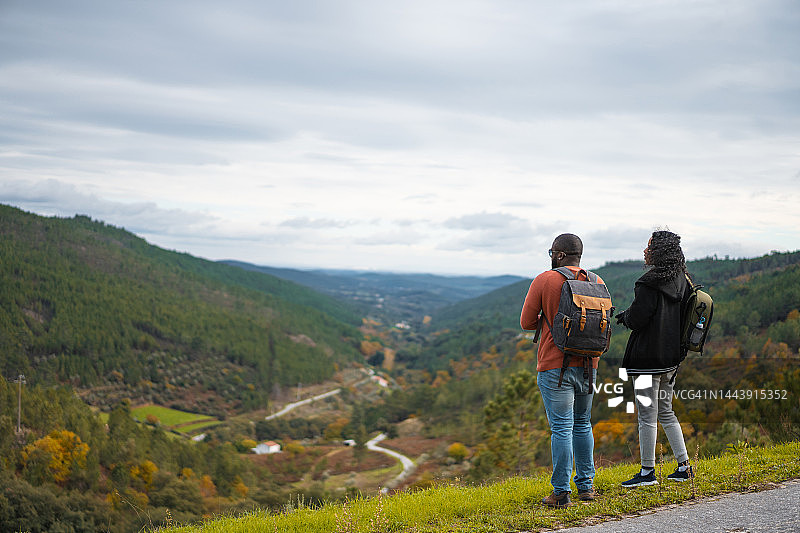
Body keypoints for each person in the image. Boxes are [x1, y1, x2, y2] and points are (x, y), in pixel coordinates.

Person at [520, 233, 601, 507]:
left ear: (560, 255)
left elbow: (526, 322)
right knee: (583, 423)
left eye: (551, 252)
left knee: (562, 428)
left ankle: (561, 492)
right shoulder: (597, 281)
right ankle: (587, 487)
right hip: (590, 365)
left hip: (556, 366)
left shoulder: (545, 279)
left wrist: (547, 317)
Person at [615, 230, 693, 487]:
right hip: (670, 360)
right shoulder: (683, 280)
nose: (645, 250)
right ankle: (684, 466)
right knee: (666, 412)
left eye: (649, 246)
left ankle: (648, 472)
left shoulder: (648, 283)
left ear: (658, 251)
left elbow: (638, 318)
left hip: (647, 360)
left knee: (646, 416)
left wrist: (625, 316)